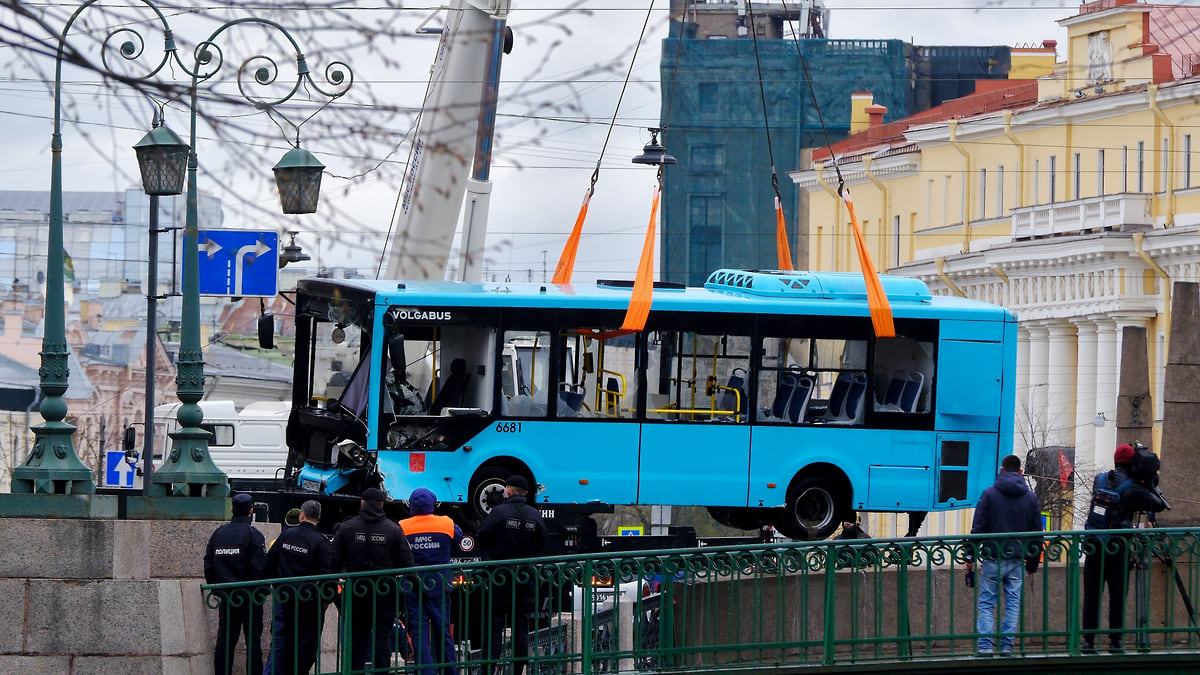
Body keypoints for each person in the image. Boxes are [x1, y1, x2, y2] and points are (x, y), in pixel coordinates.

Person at [1081, 443, 1167, 653]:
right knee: (1117, 594)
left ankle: (1088, 642)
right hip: (1117, 546)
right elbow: (1158, 505)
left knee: (1092, 595)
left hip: (1093, 544)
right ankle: (1115, 642)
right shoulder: (1133, 488)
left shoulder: (1100, 479)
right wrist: (1149, 483)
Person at [331, 487, 415, 672]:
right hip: (384, 592)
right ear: (382, 504)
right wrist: (420, 590)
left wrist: (335, 597)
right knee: (382, 639)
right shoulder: (393, 529)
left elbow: (333, 563)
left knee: (357, 641)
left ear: (362, 503)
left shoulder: (347, 528)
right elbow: (408, 563)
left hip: (356, 592)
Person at [964, 454, 1042, 656]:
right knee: (1013, 603)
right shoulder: (1030, 498)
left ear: (1001, 470)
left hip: (993, 557)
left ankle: (985, 646)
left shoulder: (989, 494)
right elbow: (1037, 534)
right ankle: (1007, 646)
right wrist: (1032, 565)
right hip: (1017, 560)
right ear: (1021, 472)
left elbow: (978, 529)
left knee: (987, 603)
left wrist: (970, 556)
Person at [475, 475, 547, 675]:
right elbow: (542, 541)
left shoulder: (499, 512)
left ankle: (488, 668)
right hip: (525, 575)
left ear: (507, 491)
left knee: (494, 624)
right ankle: (518, 668)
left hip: (500, 575)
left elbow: (481, 536)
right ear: (525, 493)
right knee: (520, 624)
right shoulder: (535, 515)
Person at [399, 487, 464, 675]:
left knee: (419, 632)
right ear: (432, 505)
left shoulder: (402, 526)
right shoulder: (446, 523)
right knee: (442, 630)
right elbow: (458, 542)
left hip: (414, 584)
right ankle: (450, 671)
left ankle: (426, 672)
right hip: (440, 583)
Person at [204, 493, 268, 675]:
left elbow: (208, 564)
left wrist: (217, 589)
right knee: (253, 643)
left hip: (228, 596)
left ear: (232, 509)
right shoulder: (253, 535)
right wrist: (260, 592)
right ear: (251, 511)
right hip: (250, 597)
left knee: (224, 641)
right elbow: (261, 567)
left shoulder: (219, 533)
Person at [265, 500, 332, 675]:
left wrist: (278, 587)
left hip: (286, 599)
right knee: (306, 645)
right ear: (318, 517)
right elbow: (329, 576)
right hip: (308, 602)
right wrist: (323, 601)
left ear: (302, 515)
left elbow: (270, 563)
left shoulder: (286, 535)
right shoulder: (321, 542)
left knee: (284, 642)